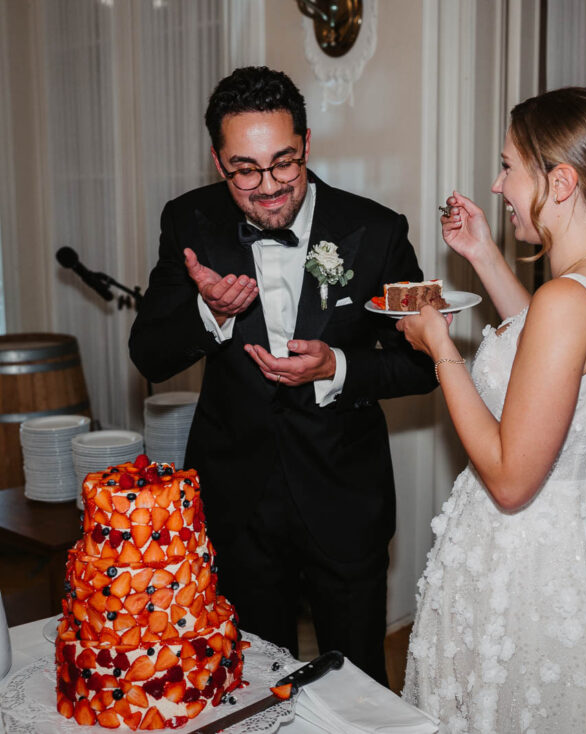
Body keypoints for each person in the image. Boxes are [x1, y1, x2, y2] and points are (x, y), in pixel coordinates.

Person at [398, 79, 586, 732]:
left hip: (533, 553)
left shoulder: (568, 301)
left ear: (560, 183)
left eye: (508, 167)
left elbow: (511, 480)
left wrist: (441, 350)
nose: (498, 186)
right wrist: (483, 254)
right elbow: (553, 357)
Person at [129, 67, 438, 684]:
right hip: (235, 500)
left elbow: (425, 362)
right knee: (252, 686)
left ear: (307, 143)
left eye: (283, 163)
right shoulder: (188, 221)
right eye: (245, 170)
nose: (268, 187)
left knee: (354, 686)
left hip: (343, 495)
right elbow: (150, 353)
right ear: (217, 161)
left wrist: (337, 367)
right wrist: (210, 314)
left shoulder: (379, 229)